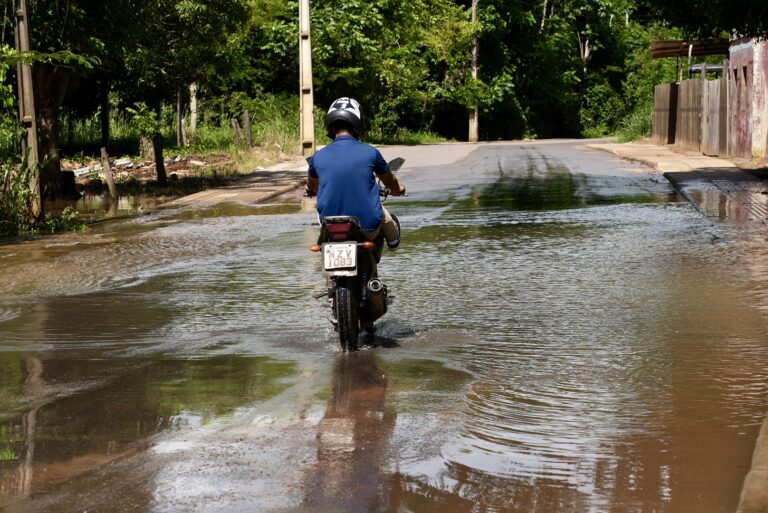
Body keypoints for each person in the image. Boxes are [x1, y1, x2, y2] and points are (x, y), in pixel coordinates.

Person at [307, 97, 406, 250]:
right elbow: (390, 181)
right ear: (357, 125)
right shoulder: (371, 153)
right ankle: (393, 243)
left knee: (320, 217)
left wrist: (312, 191)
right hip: (367, 228)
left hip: (330, 228)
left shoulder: (317, 157)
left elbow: (312, 186)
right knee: (384, 216)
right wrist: (396, 190)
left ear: (331, 128)